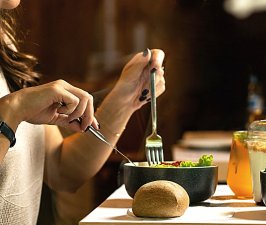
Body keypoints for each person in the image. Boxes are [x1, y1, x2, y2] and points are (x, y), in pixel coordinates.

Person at [0, 0, 166, 224]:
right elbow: (10, 113)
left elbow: (62, 168)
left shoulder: (5, 46)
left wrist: (127, 96)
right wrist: (12, 110)